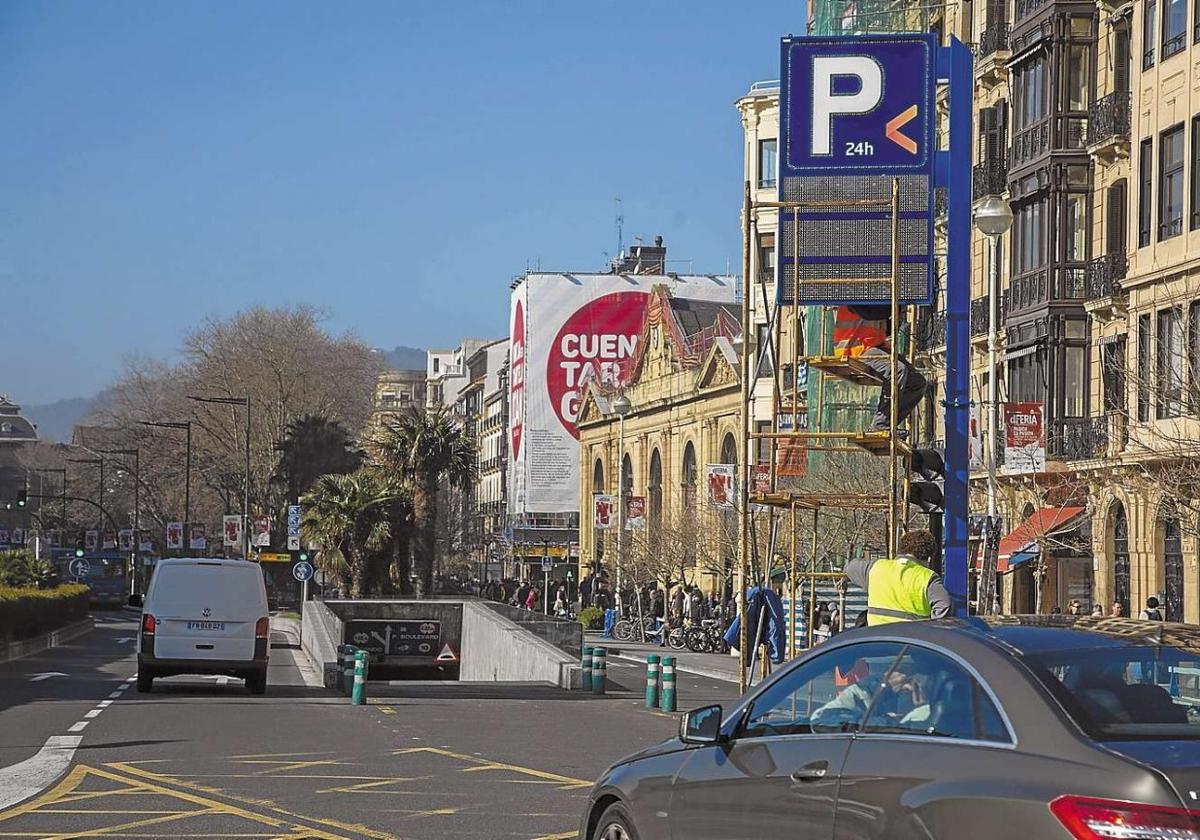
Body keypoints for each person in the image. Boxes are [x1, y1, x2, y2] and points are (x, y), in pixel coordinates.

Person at [832, 304, 928, 433]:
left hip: (874, 348)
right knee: (897, 370)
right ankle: (880, 424)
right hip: (855, 350)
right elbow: (870, 313)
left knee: (917, 382)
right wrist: (896, 304)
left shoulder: (880, 301)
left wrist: (897, 313)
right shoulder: (853, 293)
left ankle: (889, 423)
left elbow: (887, 328)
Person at [844, 529, 952, 626]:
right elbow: (944, 605)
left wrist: (845, 577)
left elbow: (850, 567)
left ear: (902, 549)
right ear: (928, 557)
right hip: (912, 642)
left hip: (876, 639)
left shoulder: (876, 567)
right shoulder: (927, 577)